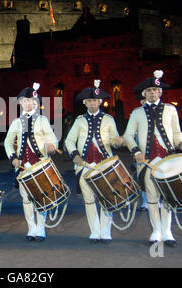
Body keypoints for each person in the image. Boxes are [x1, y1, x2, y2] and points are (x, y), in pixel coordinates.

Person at [124, 70, 182, 248]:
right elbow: (129, 136)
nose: (152, 93)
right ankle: (156, 231)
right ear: (144, 94)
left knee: (167, 198)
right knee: (153, 198)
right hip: (147, 162)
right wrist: (136, 152)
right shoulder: (137, 112)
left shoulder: (171, 109)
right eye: (149, 91)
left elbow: (177, 134)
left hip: (167, 160)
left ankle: (167, 231)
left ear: (160, 92)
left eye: (155, 90)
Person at [64, 80, 124, 244]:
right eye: (89, 101)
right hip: (85, 166)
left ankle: (105, 232)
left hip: (105, 166)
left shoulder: (109, 119)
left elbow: (113, 140)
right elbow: (69, 141)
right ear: (85, 102)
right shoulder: (79, 120)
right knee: (89, 201)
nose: (92, 103)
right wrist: (75, 155)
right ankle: (94, 231)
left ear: (99, 102)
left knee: (107, 199)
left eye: (95, 100)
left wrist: (117, 141)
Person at [4, 83, 58, 242]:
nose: (27, 104)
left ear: (36, 103)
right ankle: (31, 228)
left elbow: (51, 137)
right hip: (22, 166)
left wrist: (51, 145)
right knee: (26, 198)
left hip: (39, 163)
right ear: (20, 103)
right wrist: (13, 158)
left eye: (30, 101)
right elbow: (8, 142)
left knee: (41, 196)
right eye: (24, 101)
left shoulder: (42, 120)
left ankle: (40, 229)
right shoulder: (16, 122)